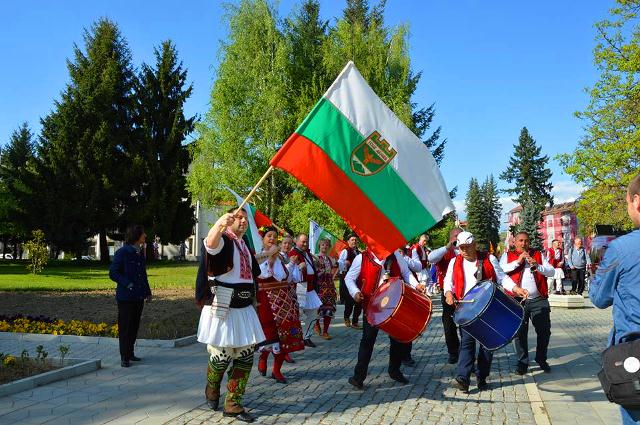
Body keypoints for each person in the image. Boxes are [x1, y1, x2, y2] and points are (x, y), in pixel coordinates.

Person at [195, 209, 265, 423]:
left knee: (245, 358)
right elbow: (210, 245)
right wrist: (218, 224)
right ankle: (212, 387)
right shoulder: (223, 239)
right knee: (221, 357)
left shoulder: (244, 245)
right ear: (229, 220)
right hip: (223, 305)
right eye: (238, 217)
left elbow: (251, 272)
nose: (243, 221)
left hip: (244, 308)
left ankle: (233, 404)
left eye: (245, 218)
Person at [444, 231, 526, 392]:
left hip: (489, 307)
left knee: (487, 345)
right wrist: (448, 293)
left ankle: (482, 376)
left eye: (467, 247)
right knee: (466, 344)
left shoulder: (489, 259)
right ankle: (463, 378)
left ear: (474, 244)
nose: (464, 250)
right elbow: (448, 280)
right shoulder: (455, 261)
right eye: (461, 248)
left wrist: (516, 288)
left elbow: (502, 278)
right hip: (465, 309)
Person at [590, 173, 640, 425]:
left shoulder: (621, 248)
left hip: (635, 354)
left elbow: (599, 298)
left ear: (637, 202)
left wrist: (598, 270)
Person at [345, 247, 424, 389]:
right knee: (367, 340)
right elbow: (349, 278)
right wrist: (355, 292)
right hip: (372, 306)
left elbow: (406, 273)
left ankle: (394, 370)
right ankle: (358, 377)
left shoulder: (396, 256)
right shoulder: (362, 258)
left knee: (397, 339)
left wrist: (416, 284)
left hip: (392, 304)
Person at [500, 231, 555, 375]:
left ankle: (541, 359)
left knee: (544, 331)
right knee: (520, 333)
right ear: (515, 242)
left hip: (538, 299)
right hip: (517, 300)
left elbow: (551, 271)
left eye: (526, 241)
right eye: (521, 241)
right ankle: (522, 362)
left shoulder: (538, 254)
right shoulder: (507, 255)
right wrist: (517, 262)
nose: (524, 244)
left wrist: (538, 265)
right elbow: (500, 272)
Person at [255, 227, 305, 384]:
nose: (272, 239)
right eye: (269, 236)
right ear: (263, 239)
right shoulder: (257, 257)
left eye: (274, 237)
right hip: (266, 301)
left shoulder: (282, 259)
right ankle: (263, 358)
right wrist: (269, 259)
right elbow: (261, 275)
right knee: (269, 336)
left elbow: (287, 277)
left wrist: (290, 265)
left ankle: (277, 370)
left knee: (285, 337)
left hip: (284, 301)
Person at [109, 224, 152, 368]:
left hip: (138, 296)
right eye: (143, 234)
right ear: (136, 236)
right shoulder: (122, 252)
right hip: (126, 297)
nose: (145, 236)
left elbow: (142, 274)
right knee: (125, 327)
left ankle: (130, 352)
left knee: (134, 326)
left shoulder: (139, 253)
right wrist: (127, 284)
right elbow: (113, 273)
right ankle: (124, 357)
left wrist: (147, 291)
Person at [428, 227, 463, 364]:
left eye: (460, 236)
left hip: (464, 292)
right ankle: (453, 351)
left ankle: (466, 350)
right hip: (447, 292)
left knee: (465, 322)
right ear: (450, 237)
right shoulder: (444, 251)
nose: (457, 239)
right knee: (448, 323)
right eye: (455, 236)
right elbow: (431, 258)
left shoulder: (466, 250)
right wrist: (448, 247)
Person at [289, 234, 323, 347]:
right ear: (296, 241)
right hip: (300, 287)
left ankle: (306, 336)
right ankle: (294, 338)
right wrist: (299, 267)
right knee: (298, 314)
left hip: (310, 287)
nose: (305, 244)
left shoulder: (307, 253)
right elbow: (290, 271)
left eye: (306, 242)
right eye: (303, 242)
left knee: (313, 313)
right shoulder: (293, 253)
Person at [314, 238, 339, 340]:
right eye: (323, 245)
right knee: (317, 308)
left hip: (329, 286)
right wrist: (321, 271)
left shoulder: (330, 259)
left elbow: (337, 266)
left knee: (329, 308)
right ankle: (316, 324)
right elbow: (314, 272)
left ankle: (325, 331)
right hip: (319, 286)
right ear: (319, 246)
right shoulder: (315, 257)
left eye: (326, 245)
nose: (324, 247)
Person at [338, 234, 362, 329]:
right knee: (349, 301)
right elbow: (340, 264)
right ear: (348, 241)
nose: (354, 242)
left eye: (355, 240)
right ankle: (346, 317)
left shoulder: (359, 253)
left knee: (359, 301)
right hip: (348, 280)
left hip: (358, 280)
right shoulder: (345, 251)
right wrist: (345, 263)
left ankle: (355, 321)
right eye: (352, 240)